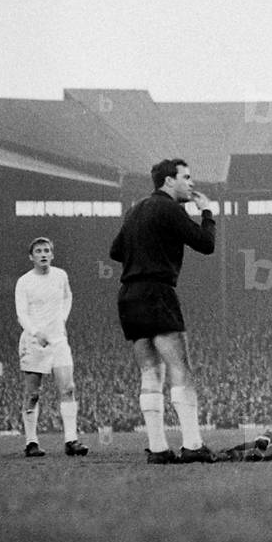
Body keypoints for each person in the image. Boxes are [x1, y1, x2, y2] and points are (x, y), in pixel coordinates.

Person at [110, 158, 218, 464]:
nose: (192, 183)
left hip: (129, 295)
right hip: (157, 291)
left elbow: (115, 250)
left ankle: (157, 448)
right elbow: (205, 244)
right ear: (169, 182)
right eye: (186, 177)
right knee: (179, 369)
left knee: (150, 372)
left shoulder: (136, 209)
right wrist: (208, 212)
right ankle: (193, 444)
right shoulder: (171, 208)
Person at [14, 237, 89, 457]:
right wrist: (37, 333)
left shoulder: (60, 275)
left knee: (68, 389)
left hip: (58, 341)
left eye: (47, 250)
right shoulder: (24, 281)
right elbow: (22, 313)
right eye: (38, 251)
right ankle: (31, 442)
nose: (43, 254)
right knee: (33, 393)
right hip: (34, 341)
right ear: (31, 256)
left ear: (52, 254)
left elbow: (68, 297)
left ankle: (71, 440)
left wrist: (62, 321)